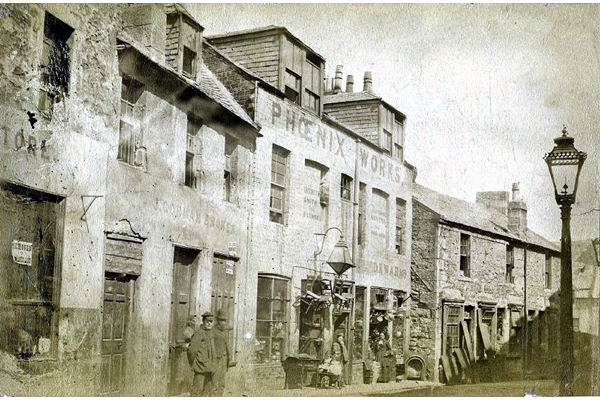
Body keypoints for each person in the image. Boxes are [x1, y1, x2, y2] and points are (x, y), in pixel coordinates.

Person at [188, 311, 216, 397]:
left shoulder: (211, 333)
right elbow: (191, 351)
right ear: (203, 322)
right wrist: (195, 363)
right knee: (197, 391)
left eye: (211, 322)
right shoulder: (198, 333)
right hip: (200, 367)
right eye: (207, 321)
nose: (209, 324)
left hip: (210, 367)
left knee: (206, 391)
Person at [212, 309, 230, 397]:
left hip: (224, 361)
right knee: (214, 384)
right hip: (215, 361)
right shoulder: (213, 332)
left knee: (222, 384)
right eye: (221, 320)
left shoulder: (225, 332)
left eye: (225, 320)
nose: (223, 323)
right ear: (217, 321)